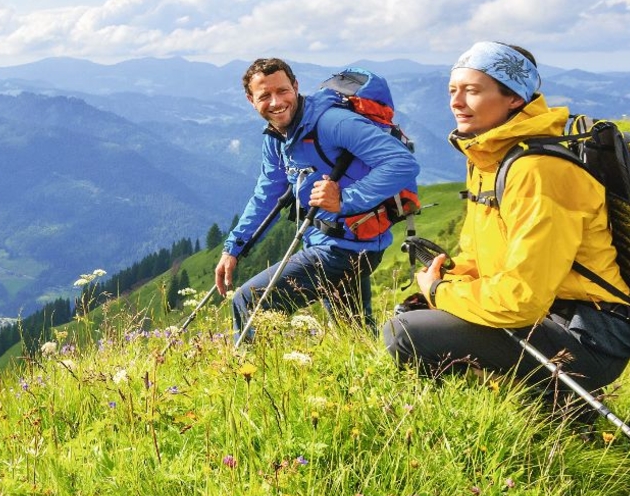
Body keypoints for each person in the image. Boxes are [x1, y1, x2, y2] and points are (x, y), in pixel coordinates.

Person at [383, 41, 630, 417]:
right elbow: (482, 255)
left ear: (514, 98)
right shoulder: (491, 156)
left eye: (473, 90)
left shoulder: (539, 171)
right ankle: (550, 411)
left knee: (405, 334)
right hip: (551, 316)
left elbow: (521, 300)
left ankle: (546, 405)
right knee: (415, 312)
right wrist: (449, 280)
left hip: (588, 337)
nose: (456, 102)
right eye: (453, 90)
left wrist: (442, 292)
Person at [214, 58, 420, 341]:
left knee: (249, 302)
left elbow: (402, 164)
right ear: (251, 100)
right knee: (354, 335)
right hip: (334, 243)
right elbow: (267, 195)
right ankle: (384, 377)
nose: (276, 102)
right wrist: (234, 248)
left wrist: (345, 200)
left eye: (283, 91)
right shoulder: (277, 137)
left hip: (347, 248)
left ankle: (250, 377)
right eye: (265, 96)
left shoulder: (333, 123)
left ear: (296, 87)